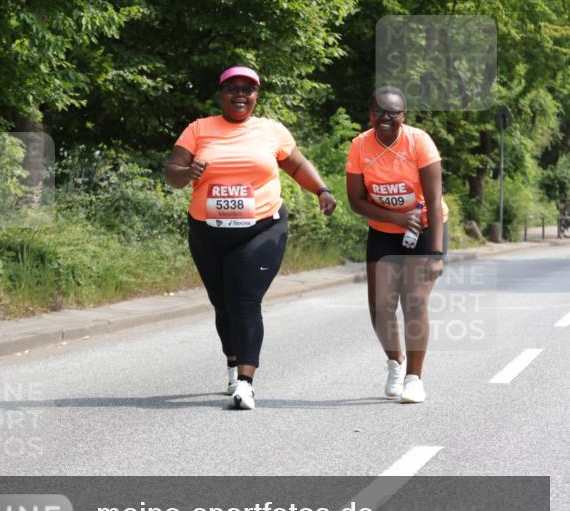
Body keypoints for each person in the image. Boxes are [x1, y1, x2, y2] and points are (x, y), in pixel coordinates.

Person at [165, 66, 336, 410]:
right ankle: (232, 363)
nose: (240, 94)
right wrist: (188, 171)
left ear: (256, 95)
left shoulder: (271, 130)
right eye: (233, 88)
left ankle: (245, 383)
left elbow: (297, 165)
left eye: (248, 89)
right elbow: (172, 175)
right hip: (208, 231)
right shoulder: (199, 129)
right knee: (222, 303)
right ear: (221, 93)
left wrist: (322, 189)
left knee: (244, 299)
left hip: (262, 227)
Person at [346, 86, 448, 403]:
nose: (386, 118)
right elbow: (356, 201)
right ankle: (395, 362)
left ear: (403, 116)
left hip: (427, 226)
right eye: (380, 112)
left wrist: (434, 253)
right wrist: (397, 219)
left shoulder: (419, 142)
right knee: (380, 306)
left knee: (414, 300)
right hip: (384, 230)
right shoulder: (360, 146)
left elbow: (432, 199)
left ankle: (415, 379)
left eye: (393, 113)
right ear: (370, 114)